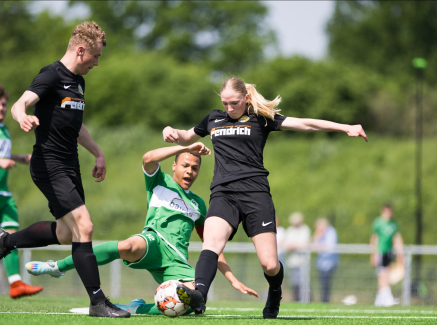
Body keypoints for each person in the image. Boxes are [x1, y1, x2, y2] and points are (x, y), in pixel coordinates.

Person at [162, 77, 368, 318]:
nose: (229, 108)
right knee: (211, 243)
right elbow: (186, 137)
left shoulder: (261, 118)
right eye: (225, 103)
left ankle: (275, 292)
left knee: (270, 264)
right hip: (223, 193)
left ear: (246, 98)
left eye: (234, 103)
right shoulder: (213, 118)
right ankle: (200, 296)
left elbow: (305, 124)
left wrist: (345, 127)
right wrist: (170, 130)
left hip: (255, 194)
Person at [25, 143, 258, 315]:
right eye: (185, 165)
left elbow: (212, 245)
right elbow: (147, 157)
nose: (189, 171)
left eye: (195, 168)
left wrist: (231, 278)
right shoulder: (159, 182)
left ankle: (137, 307)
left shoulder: (199, 204)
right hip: (153, 241)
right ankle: (58, 266)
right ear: (174, 165)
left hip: (176, 261)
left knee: (191, 305)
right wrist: (185, 145)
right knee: (127, 245)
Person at [0, 22, 129, 317]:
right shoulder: (51, 74)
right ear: (81, 50)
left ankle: (6, 241)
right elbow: (22, 103)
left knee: (66, 233)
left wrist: (98, 152)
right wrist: (21, 117)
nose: (97, 63)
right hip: (48, 164)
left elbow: (75, 124)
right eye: (95, 56)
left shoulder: (79, 82)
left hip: (69, 165)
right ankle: (98, 302)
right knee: (84, 226)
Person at [0, 85, 43, 298]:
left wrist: (18, 157)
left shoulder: (4, 129)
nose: (2, 107)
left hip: (4, 194)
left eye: (4, 104)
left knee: (9, 237)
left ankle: (15, 283)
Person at [370, 203, 403, 307]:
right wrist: (373, 254)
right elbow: (374, 238)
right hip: (380, 251)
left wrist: (400, 253)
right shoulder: (378, 222)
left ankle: (379, 299)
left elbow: (397, 237)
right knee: (382, 275)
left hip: (389, 251)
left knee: (385, 274)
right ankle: (387, 298)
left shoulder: (393, 223)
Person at [285, 212, 311, 302]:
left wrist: (294, 246)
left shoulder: (305, 229)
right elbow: (287, 245)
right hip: (293, 262)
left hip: (303, 262)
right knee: (294, 283)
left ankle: (305, 299)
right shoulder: (289, 230)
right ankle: (296, 299)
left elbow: (304, 244)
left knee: (304, 282)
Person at [312, 218, 338, 303]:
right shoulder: (320, 233)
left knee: (326, 283)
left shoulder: (331, 232)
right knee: (322, 283)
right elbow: (314, 244)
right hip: (321, 263)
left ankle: (325, 300)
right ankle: (323, 300)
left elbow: (330, 246)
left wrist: (320, 245)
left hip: (329, 263)